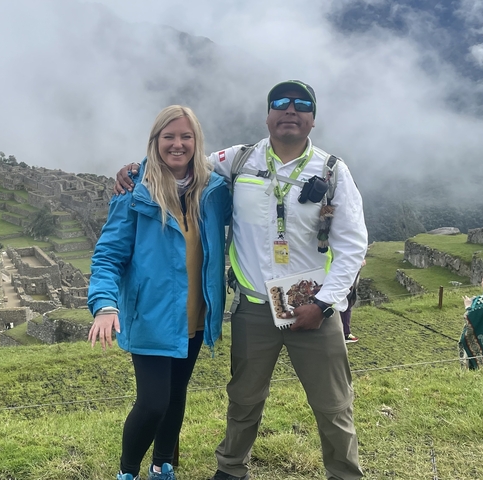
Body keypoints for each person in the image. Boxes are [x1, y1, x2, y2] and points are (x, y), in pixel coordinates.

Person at [116, 80, 367, 480]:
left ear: (312, 119)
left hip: (313, 309)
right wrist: (135, 169)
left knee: (333, 405)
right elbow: (180, 161)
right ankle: (231, 470)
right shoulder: (239, 159)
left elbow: (353, 245)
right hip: (253, 307)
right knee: (244, 399)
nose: (290, 110)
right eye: (280, 103)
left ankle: (345, 475)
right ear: (267, 115)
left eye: (301, 105)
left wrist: (322, 305)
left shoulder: (333, 171)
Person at [88, 105, 231, 480]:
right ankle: (127, 472)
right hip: (151, 317)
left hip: (196, 315)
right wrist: (104, 304)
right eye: (169, 136)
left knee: (176, 394)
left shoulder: (214, 191)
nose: (178, 144)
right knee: (153, 403)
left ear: (197, 142)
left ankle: (162, 465)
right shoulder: (136, 192)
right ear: (155, 142)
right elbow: (108, 255)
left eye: (186, 136)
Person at [342, 259, 366, 344]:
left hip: (349, 276)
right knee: (346, 305)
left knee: (347, 304)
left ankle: (345, 332)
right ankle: (345, 334)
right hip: (345, 278)